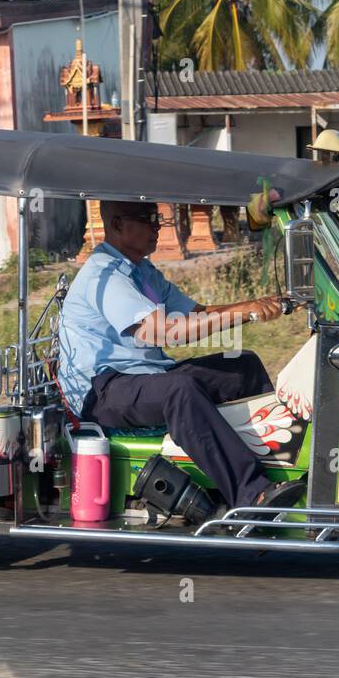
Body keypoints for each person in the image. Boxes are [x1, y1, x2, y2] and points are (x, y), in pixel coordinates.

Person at [57, 200, 304, 511]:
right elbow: (164, 332)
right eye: (147, 219)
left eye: (157, 218)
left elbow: (197, 314)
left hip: (144, 376)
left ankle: (279, 462)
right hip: (102, 389)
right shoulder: (103, 275)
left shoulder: (142, 271)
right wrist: (246, 315)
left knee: (244, 366)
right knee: (180, 391)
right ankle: (250, 495)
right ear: (118, 225)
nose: (158, 226)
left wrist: (255, 304)